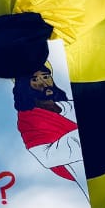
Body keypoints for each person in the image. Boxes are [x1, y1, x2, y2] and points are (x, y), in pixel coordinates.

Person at [15, 65, 89, 200]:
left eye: (46, 76)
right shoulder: (29, 119)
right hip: (82, 179)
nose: (44, 83)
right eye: (35, 80)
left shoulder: (70, 106)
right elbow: (48, 157)